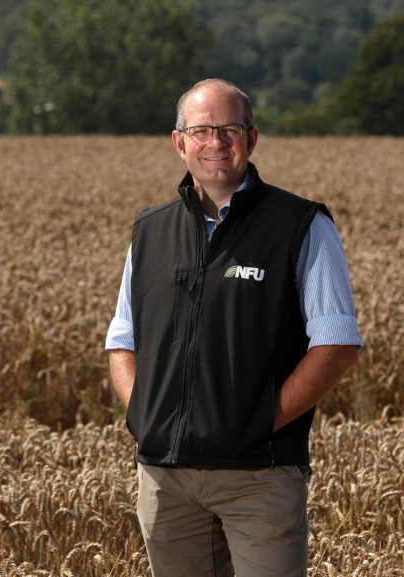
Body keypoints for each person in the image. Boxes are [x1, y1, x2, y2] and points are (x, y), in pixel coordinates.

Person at [104, 78, 363, 577]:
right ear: (180, 142)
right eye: (202, 131)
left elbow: (336, 345)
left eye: (230, 129)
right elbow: (122, 339)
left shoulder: (301, 224)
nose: (216, 143)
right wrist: (147, 416)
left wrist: (257, 424)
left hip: (258, 478)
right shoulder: (150, 230)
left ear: (252, 138)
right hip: (166, 479)